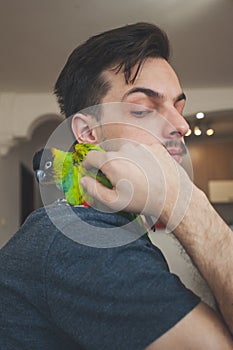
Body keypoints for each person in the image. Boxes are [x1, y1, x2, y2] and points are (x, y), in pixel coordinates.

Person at [0, 23, 232, 349]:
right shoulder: (75, 240)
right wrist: (187, 203)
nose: (181, 125)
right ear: (88, 133)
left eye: (180, 110)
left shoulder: (112, 230)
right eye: (142, 109)